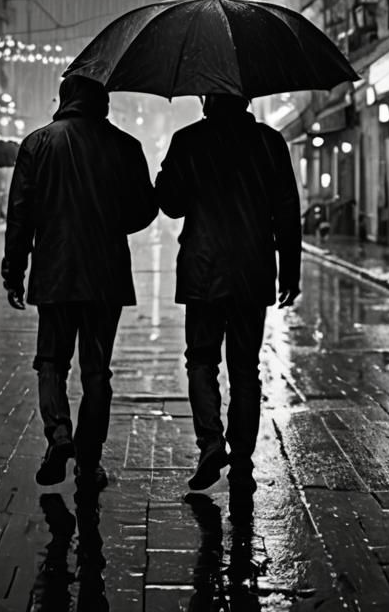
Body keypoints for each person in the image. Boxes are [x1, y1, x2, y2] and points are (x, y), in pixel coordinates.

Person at [3, 74, 158, 491]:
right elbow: (145, 209)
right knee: (96, 370)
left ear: (65, 98)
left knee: (51, 361)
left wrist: (13, 270)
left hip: (55, 269)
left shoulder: (37, 144)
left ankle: (59, 435)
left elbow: (20, 213)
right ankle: (89, 462)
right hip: (106, 274)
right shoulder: (126, 146)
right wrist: (111, 222)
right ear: (103, 101)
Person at [155, 93, 301, 494]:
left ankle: (211, 443)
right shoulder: (270, 142)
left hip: (203, 270)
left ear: (206, 98)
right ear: (246, 98)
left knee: (201, 360)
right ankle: (241, 463)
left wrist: (171, 171)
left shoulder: (188, 140)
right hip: (252, 272)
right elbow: (287, 209)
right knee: (244, 370)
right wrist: (290, 270)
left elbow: (169, 203)